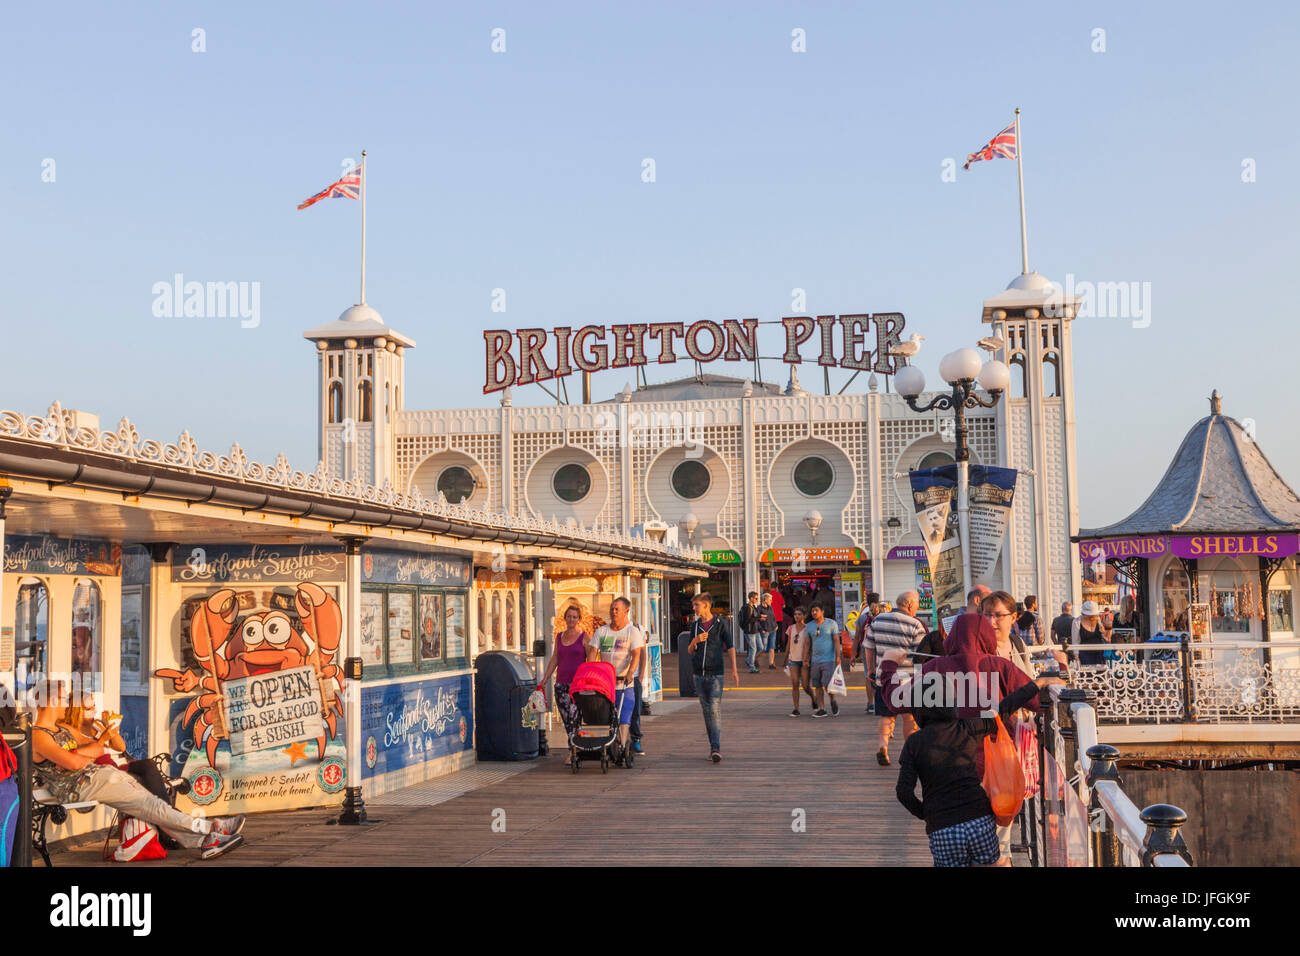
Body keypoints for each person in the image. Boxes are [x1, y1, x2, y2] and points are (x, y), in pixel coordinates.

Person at [879, 613, 1064, 866]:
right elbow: (1024, 704)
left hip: (942, 799)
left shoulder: (933, 671)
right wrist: (1044, 681)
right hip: (996, 777)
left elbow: (895, 700)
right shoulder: (1000, 666)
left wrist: (888, 665)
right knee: (998, 853)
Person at [29, 683, 244, 859]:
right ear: (50, 701)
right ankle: (209, 829)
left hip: (97, 776)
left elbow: (100, 748)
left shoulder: (63, 730)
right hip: (83, 784)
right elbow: (76, 762)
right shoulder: (39, 736)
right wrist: (86, 752)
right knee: (152, 806)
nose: (67, 704)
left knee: (151, 807)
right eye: (65, 699)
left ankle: (206, 839)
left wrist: (90, 747)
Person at [866, 592, 928, 764]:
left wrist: (871, 669)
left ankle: (883, 746)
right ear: (909, 605)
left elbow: (869, 646)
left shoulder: (878, 620)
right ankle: (912, 752)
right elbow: (920, 657)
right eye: (916, 605)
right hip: (906, 680)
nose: (916, 609)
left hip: (884, 677)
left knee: (886, 716)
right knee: (909, 716)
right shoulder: (916, 625)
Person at [588, 597, 645, 765]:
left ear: (626, 611)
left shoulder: (631, 632)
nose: (613, 612)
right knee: (607, 716)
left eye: (617, 609)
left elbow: (636, 654)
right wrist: (590, 669)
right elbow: (593, 651)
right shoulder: (602, 631)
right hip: (605, 683)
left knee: (624, 715)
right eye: (612, 609)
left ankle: (623, 744)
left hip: (624, 682)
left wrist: (632, 672)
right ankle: (611, 743)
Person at [685, 592, 740, 762]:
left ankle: (715, 748)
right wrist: (695, 641)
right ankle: (713, 747)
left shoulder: (720, 623)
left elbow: (730, 647)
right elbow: (689, 650)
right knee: (706, 711)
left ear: (706, 605)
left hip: (716, 673)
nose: (694, 608)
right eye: (693, 605)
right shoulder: (695, 626)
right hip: (698, 674)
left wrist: (734, 670)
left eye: (697, 605)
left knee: (714, 711)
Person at [539, 605, 590, 766]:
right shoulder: (559, 636)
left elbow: (590, 658)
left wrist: (589, 679)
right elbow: (555, 658)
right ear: (565, 618)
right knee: (566, 719)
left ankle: (573, 751)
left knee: (574, 717)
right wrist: (546, 677)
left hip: (577, 685)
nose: (571, 620)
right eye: (569, 616)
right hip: (561, 684)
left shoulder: (584, 636)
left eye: (575, 617)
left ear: (579, 619)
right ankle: (575, 747)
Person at [804, 603, 842, 718]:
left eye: (816, 610)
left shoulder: (831, 624)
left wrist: (838, 656)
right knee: (817, 684)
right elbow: (807, 643)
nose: (814, 613)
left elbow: (836, 640)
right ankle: (821, 708)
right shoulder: (809, 626)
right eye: (812, 611)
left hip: (828, 659)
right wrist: (805, 658)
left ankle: (832, 700)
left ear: (822, 611)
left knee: (827, 683)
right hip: (815, 660)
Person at [782, 606, 812, 716]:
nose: (797, 616)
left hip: (804, 660)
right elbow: (788, 644)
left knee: (805, 685)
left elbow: (810, 645)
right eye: (795, 614)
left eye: (799, 614)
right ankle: (796, 708)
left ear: (804, 616)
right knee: (795, 683)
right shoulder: (791, 628)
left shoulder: (808, 628)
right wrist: (785, 659)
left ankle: (813, 698)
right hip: (793, 659)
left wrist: (809, 657)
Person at [1071, 600, 1111, 666]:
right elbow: (1075, 641)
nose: (1092, 617)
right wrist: (1077, 658)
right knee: (1087, 675)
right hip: (1085, 655)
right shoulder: (1077, 622)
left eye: (1093, 615)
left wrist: (1104, 631)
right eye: (1089, 615)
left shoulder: (1098, 620)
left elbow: (1105, 637)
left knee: (1100, 674)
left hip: (1099, 654)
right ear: (1084, 613)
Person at [739, 591, 762, 674]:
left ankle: (749, 660)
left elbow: (755, 618)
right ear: (751, 598)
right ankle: (751, 667)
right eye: (756, 598)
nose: (757, 600)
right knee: (753, 648)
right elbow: (748, 620)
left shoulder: (753, 607)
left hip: (755, 630)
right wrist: (759, 618)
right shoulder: (747, 607)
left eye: (757, 598)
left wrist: (759, 618)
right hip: (750, 631)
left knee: (760, 647)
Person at [759, 592, 778, 670]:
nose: (771, 601)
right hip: (765, 630)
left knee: (772, 647)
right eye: (770, 600)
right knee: (762, 647)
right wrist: (761, 629)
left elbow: (773, 617)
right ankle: (754, 659)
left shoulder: (770, 608)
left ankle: (771, 663)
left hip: (773, 629)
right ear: (765, 600)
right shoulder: (759, 608)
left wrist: (776, 625)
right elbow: (757, 621)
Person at [768, 584, 786, 654]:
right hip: (779, 617)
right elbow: (784, 606)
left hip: (770, 617)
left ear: (770, 587)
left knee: (771, 632)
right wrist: (779, 607)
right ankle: (777, 646)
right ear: (776, 587)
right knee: (778, 633)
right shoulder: (779, 595)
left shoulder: (768, 595)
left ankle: (772, 647)